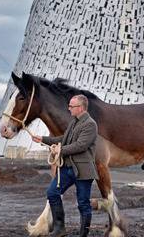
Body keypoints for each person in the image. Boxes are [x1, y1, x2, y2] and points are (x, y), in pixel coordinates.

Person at [32, 94, 98, 237]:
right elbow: (64, 139)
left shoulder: (90, 124)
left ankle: (83, 235)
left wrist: (61, 150)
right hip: (67, 169)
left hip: (83, 171)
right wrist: (43, 139)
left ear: (80, 108)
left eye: (71, 106)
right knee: (52, 193)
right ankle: (59, 228)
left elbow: (81, 145)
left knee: (83, 204)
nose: (69, 109)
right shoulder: (73, 122)